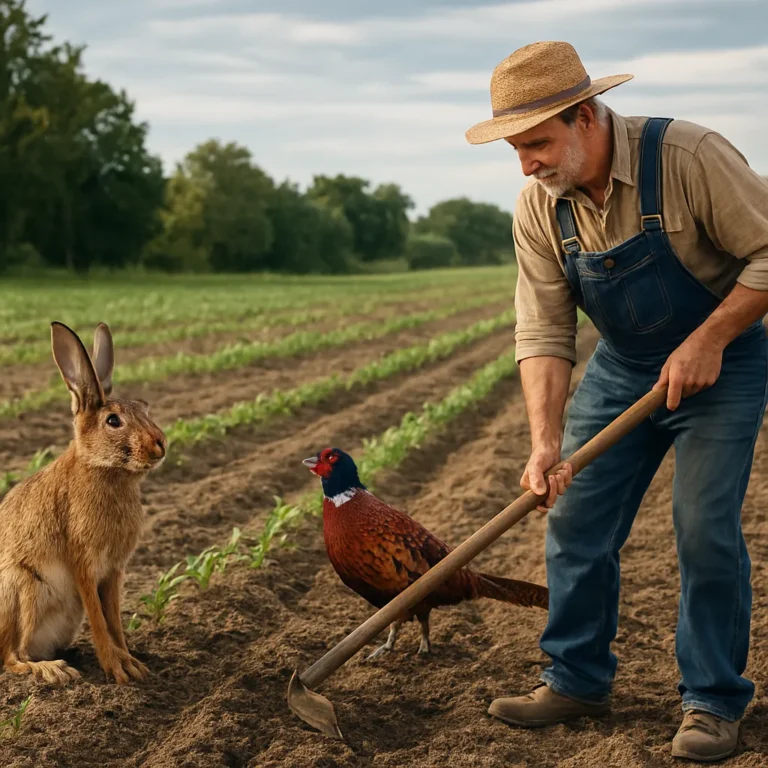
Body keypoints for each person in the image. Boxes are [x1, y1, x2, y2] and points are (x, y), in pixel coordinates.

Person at [464, 40, 768, 762]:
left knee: (703, 527)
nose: (526, 165)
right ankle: (575, 680)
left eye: (537, 144)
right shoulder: (540, 208)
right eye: (515, 149)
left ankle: (712, 700)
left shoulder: (689, 158)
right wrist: (545, 442)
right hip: (626, 367)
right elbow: (544, 329)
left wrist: (710, 338)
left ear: (586, 116)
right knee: (575, 516)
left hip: (724, 361)